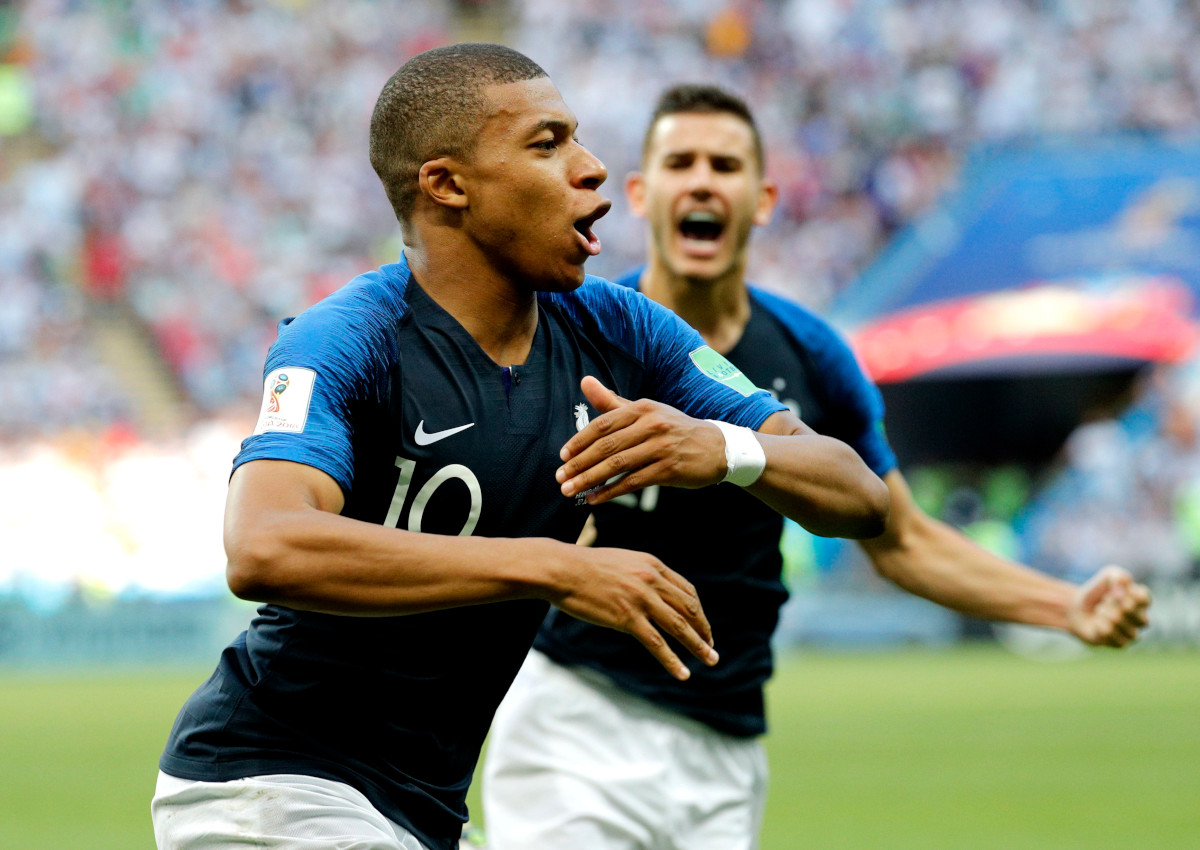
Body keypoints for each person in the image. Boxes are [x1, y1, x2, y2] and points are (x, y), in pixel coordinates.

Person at [150, 47, 891, 850]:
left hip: (422, 812)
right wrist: (556, 564)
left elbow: (857, 494)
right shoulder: (347, 339)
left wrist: (723, 447)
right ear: (448, 184)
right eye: (548, 144)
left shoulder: (623, 329)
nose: (594, 169)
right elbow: (263, 546)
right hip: (268, 787)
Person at [481, 83, 1154, 850]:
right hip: (578, 717)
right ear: (640, 192)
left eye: (725, 164)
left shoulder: (812, 354)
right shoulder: (575, 336)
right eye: (681, 162)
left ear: (763, 199)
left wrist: (1064, 608)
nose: (703, 179)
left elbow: (899, 538)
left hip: (728, 748)